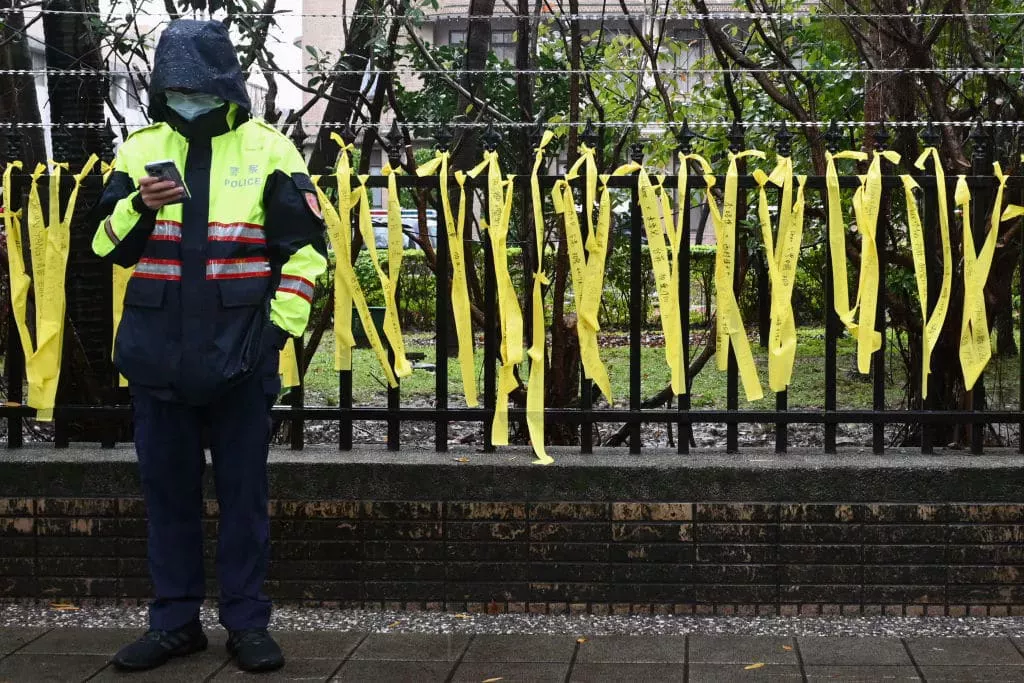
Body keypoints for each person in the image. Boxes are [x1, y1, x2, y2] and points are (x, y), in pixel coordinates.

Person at [91, 19, 327, 673]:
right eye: (175, 87)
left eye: (197, 86)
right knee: (167, 497)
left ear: (224, 84)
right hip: (156, 358)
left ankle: (247, 623)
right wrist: (139, 205)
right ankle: (174, 623)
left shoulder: (272, 151)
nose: (186, 96)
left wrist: (275, 336)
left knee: (244, 498)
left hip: (240, 358)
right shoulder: (140, 151)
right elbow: (106, 248)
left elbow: (307, 255)